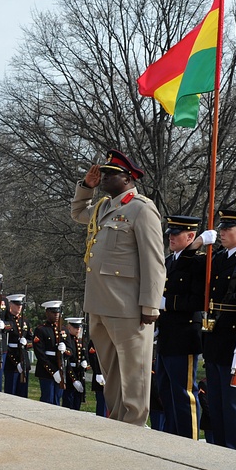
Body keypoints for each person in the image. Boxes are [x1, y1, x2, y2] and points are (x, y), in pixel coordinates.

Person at [71, 149, 166, 427]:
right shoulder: (102, 206)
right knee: (110, 370)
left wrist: (150, 305)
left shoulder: (141, 208)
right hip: (99, 303)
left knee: (133, 370)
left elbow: (154, 262)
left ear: (127, 178)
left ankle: (134, 424)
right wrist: (86, 187)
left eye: (110, 174)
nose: (103, 177)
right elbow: (78, 213)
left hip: (128, 306)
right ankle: (116, 420)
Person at [200, 209, 236, 452]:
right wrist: (200, 242)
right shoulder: (216, 258)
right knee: (217, 400)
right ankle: (220, 447)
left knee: (233, 403)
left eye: (226, 229)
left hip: (234, 338)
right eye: (220, 229)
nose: (221, 233)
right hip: (213, 336)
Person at [156, 215, 207, 440]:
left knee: (184, 393)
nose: (171, 238)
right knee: (165, 390)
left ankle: (188, 440)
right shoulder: (169, 261)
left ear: (191, 236)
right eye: (170, 234)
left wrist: (168, 303)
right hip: (167, 333)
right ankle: (171, 436)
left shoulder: (198, 262)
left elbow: (198, 300)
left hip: (184, 334)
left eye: (176, 234)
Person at [33, 301, 65, 405]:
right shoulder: (41, 330)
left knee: (57, 399)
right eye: (53, 312)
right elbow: (40, 353)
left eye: (58, 312)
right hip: (46, 370)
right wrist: (53, 371)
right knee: (48, 399)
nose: (56, 315)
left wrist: (66, 349)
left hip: (60, 367)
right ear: (47, 313)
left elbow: (71, 350)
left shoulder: (64, 330)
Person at [3, 293, 31, 398]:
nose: (19, 307)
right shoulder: (7, 320)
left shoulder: (25, 321)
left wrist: (26, 343)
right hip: (11, 360)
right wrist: (15, 363)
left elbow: (31, 340)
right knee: (11, 391)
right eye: (17, 305)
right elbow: (6, 343)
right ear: (10, 305)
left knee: (23, 392)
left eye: (21, 305)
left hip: (24, 358)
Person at [61, 318, 87, 410]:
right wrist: (73, 379)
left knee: (77, 402)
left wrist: (85, 364)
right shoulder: (67, 341)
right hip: (69, 375)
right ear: (69, 327)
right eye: (75, 327)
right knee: (68, 400)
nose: (78, 330)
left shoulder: (80, 341)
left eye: (79, 327)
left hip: (79, 373)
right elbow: (66, 361)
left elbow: (85, 356)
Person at [88, 339, 107, 417]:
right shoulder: (96, 339)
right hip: (101, 376)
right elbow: (93, 357)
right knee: (102, 403)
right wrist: (98, 372)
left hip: (112, 376)